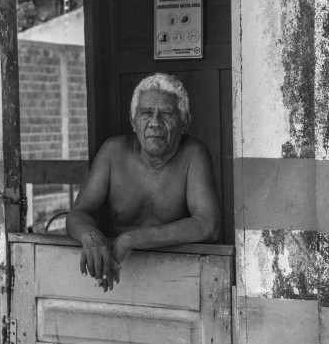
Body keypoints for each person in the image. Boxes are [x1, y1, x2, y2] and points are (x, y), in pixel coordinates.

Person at [66, 73, 221, 292]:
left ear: (184, 121)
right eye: (146, 113)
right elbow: (79, 213)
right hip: (113, 282)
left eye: (166, 113)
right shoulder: (113, 152)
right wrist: (91, 237)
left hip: (177, 280)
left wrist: (130, 240)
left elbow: (208, 225)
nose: (155, 123)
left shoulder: (193, 154)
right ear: (133, 121)